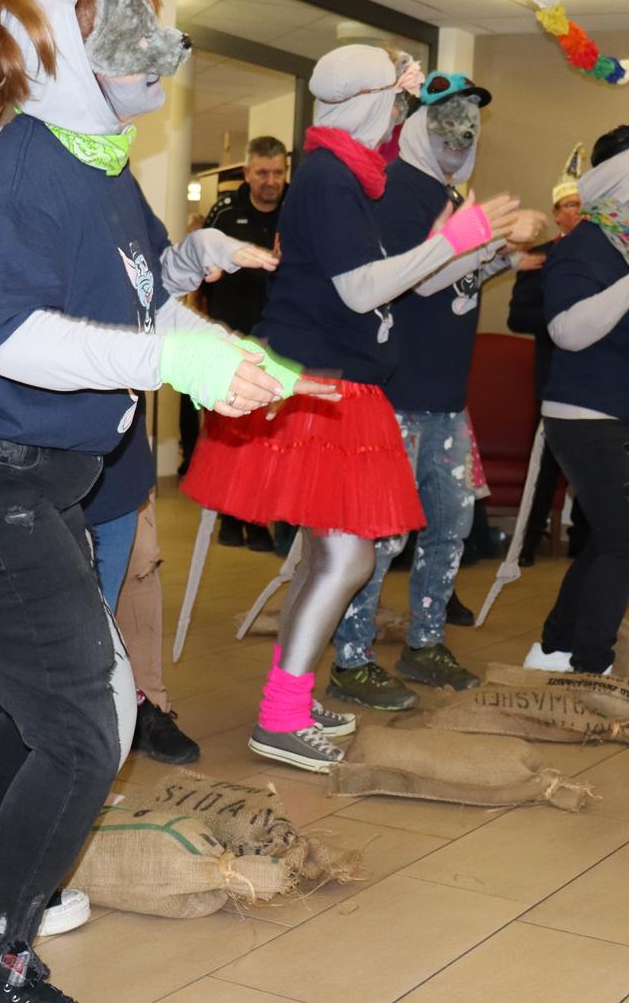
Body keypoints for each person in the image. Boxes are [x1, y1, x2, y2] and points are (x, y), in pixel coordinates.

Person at [0, 0, 330, 1003]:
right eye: (128, 35)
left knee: (71, 704)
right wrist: (176, 362)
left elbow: (139, 302)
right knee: (86, 727)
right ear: (60, 55)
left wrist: (224, 350)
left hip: (26, 475)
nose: (162, 52)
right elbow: (3, 336)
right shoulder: (14, 167)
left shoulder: (101, 162)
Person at [183, 45, 523, 771]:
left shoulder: (345, 174)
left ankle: (292, 698)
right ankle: (280, 716)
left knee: (329, 557)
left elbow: (382, 283)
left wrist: (459, 247)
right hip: (318, 385)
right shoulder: (329, 176)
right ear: (371, 104)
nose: (401, 118)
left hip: (341, 383)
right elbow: (362, 288)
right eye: (397, 103)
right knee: (346, 555)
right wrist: (454, 239)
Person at [327, 72, 542, 710]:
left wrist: (498, 256)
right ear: (419, 127)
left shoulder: (444, 193)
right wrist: (486, 239)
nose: (460, 138)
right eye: (447, 125)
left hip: (445, 395)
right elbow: (417, 280)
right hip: (397, 395)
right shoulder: (398, 189)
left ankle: (424, 644)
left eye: (468, 129)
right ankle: (351, 659)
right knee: (383, 536)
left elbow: (451, 280)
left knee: (450, 526)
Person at [523, 123, 629, 676]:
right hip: (590, 414)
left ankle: (554, 649)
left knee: (612, 536)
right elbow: (566, 330)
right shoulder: (586, 244)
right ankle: (590, 667)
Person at [199, 135, 290, 552]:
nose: (271, 181)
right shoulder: (224, 211)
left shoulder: (295, 208)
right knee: (229, 430)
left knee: (265, 434)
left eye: (278, 172)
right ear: (247, 173)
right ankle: (230, 517)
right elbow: (201, 269)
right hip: (230, 338)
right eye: (263, 172)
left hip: (277, 339)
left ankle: (257, 519)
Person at [507, 143, 589, 566]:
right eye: (570, 205)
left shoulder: (606, 254)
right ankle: (525, 543)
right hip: (554, 374)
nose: (578, 211)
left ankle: (587, 544)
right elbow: (517, 318)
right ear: (557, 213)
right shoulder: (541, 256)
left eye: (584, 204)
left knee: (594, 463)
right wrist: (565, 319)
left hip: (597, 377)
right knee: (546, 463)